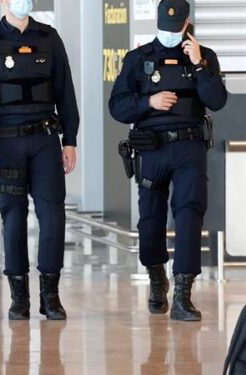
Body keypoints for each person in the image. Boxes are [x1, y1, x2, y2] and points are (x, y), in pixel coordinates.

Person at [109, 0, 227, 321]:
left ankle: (183, 294)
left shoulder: (204, 57)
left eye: (177, 28)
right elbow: (117, 106)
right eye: (166, 28)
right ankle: (156, 277)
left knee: (189, 215)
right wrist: (149, 101)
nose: (171, 34)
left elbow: (217, 100)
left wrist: (199, 64)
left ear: (187, 22)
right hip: (152, 148)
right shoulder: (138, 59)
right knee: (150, 219)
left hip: (190, 147)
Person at [0, 0, 79, 320]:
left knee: (53, 216)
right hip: (4, 143)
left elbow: (65, 93)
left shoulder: (49, 37)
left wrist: (70, 141)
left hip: (44, 140)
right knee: (13, 218)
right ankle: (19, 297)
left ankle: (50, 296)